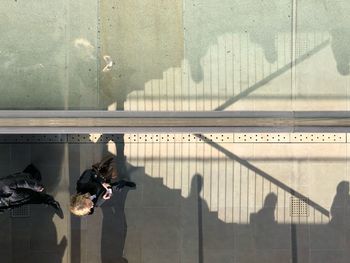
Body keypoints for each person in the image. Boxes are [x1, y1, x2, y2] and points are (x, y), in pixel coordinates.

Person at [70, 155, 135, 216]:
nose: (92, 206)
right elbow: (97, 204)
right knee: (117, 187)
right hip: (103, 189)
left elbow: (89, 172)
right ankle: (123, 183)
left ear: (82, 199)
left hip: (100, 176)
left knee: (113, 173)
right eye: (89, 209)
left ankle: (113, 165)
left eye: (90, 204)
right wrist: (104, 198)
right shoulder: (91, 205)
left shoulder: (82, 184)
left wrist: (102, 182)